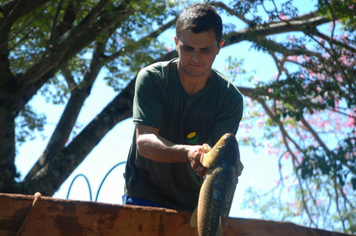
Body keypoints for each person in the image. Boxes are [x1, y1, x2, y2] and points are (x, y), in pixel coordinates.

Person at [123, 3, 243, 212]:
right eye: (188, 48)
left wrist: (228, 168)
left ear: (219, 47)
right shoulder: (153, 78)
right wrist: (188, 152)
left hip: (194, 205)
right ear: (177, 43)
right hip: (144, 194)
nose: (195, 58)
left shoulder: (230, 98)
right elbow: (144, 141)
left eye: (205, 50)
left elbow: (219, 162)